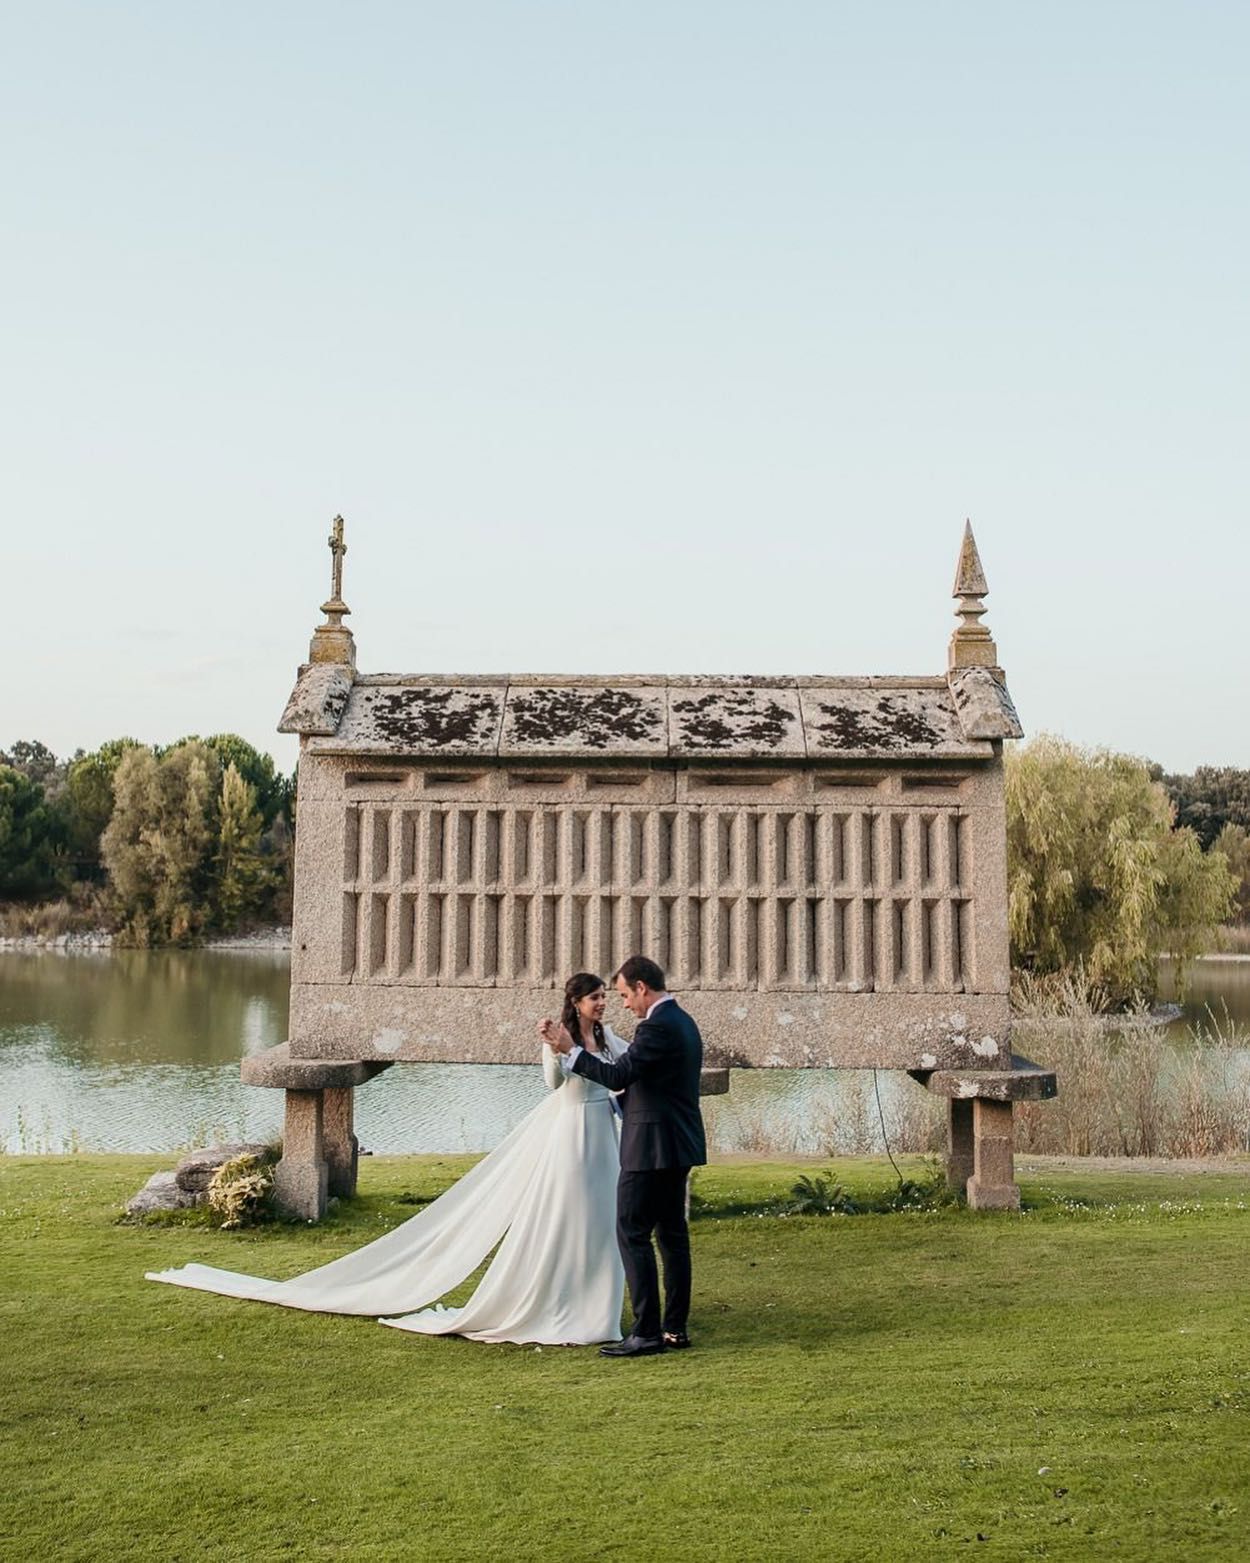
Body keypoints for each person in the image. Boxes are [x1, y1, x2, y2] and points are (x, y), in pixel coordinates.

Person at [146, 973, 627, 1346]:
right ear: (576, 1002)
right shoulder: (559, 1039)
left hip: (602, 1131)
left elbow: (626, 1069)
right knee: (568, 1215)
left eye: (605, 996)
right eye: (595, 997)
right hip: (571, 1132)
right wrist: (555, 1051)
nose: (602, 1003)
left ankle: (595, 1307)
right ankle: (556, 1301)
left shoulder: (606, 1038)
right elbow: (553, 1084)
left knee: (602, 1217)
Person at [540, 954, 706, 1358]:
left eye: (624, 995)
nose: (624, 1004)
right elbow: (651, 1085)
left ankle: (646, 1332)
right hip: (678, 1143)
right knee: (672, 1236)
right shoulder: (684, 1022)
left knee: (632, 1232)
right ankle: (674, 1329)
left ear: (641, 988)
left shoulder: (655, 1028)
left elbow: (619, 1075)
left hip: (650, 1146)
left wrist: (571, 1051)